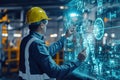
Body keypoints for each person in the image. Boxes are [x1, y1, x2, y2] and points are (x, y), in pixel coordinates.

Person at [19, 7, 87, 80]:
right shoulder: (36, 44)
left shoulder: (27, 40)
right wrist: (78, 61)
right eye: (46, 22)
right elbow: (55, 72)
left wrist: (65, 37)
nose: (46, 26)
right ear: (42, 24)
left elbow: (47, 52)